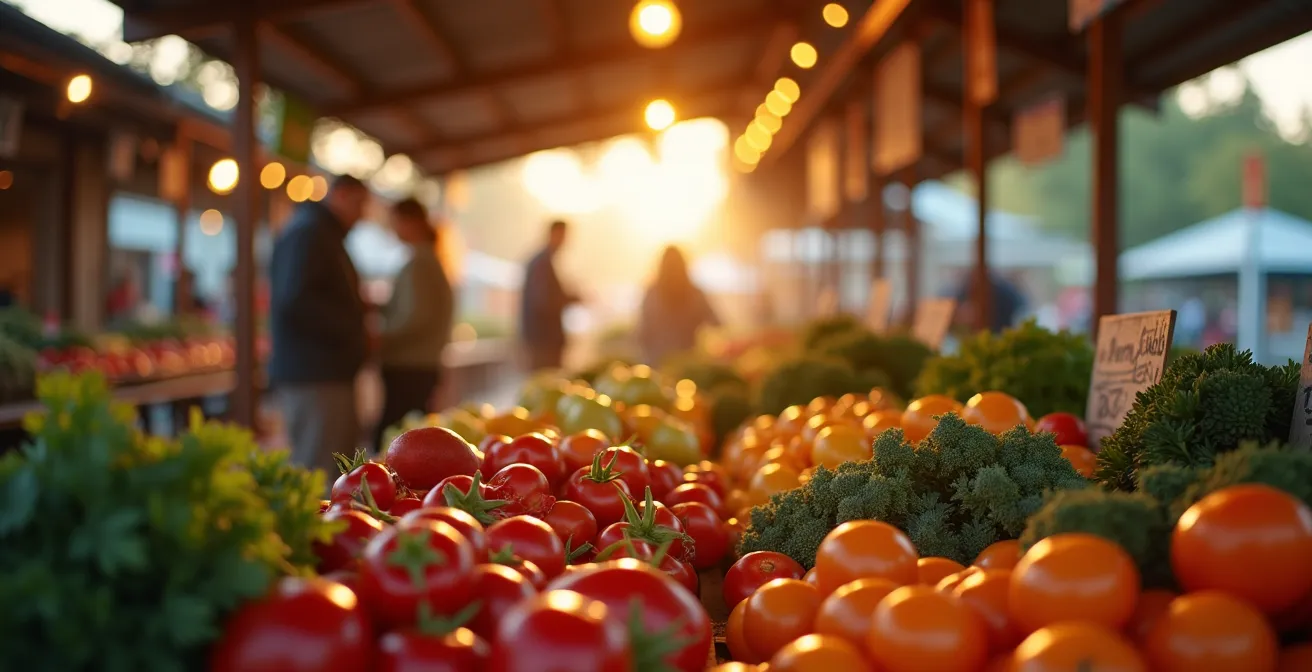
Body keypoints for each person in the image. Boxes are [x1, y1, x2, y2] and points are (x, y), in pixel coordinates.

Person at [268, 174, 370, 476]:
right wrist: (352, 329)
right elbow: (296, 301)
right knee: (321, 472)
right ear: (339, 195)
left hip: (322, 372)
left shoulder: (318, 232)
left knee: (332, 468)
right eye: (359, 204)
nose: (361, 215)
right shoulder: (310, 233)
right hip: (315, 374)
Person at [371, 198, 455, 452]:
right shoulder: (429, 260)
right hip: (419, 365)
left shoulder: (420, 263)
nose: (392, 228)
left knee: (397, 442)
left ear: (411, 222)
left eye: (394, 222)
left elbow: (415, 317)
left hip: (409, 366)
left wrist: (378, 337)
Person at [637, 246, 719, 366]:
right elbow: (716, 322)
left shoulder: (651, 294)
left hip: (656, 363)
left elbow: (642, 333)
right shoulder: (695, 293)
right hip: (688, 363)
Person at [519, 219, 578, 371]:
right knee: (546, 382)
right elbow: (544, 300)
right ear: (553, 234)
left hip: (543, 339)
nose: (565, 242)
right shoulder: (542, 263)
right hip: (543, 341)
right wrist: (571, 298)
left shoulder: (544, 261)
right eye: (563, 236)